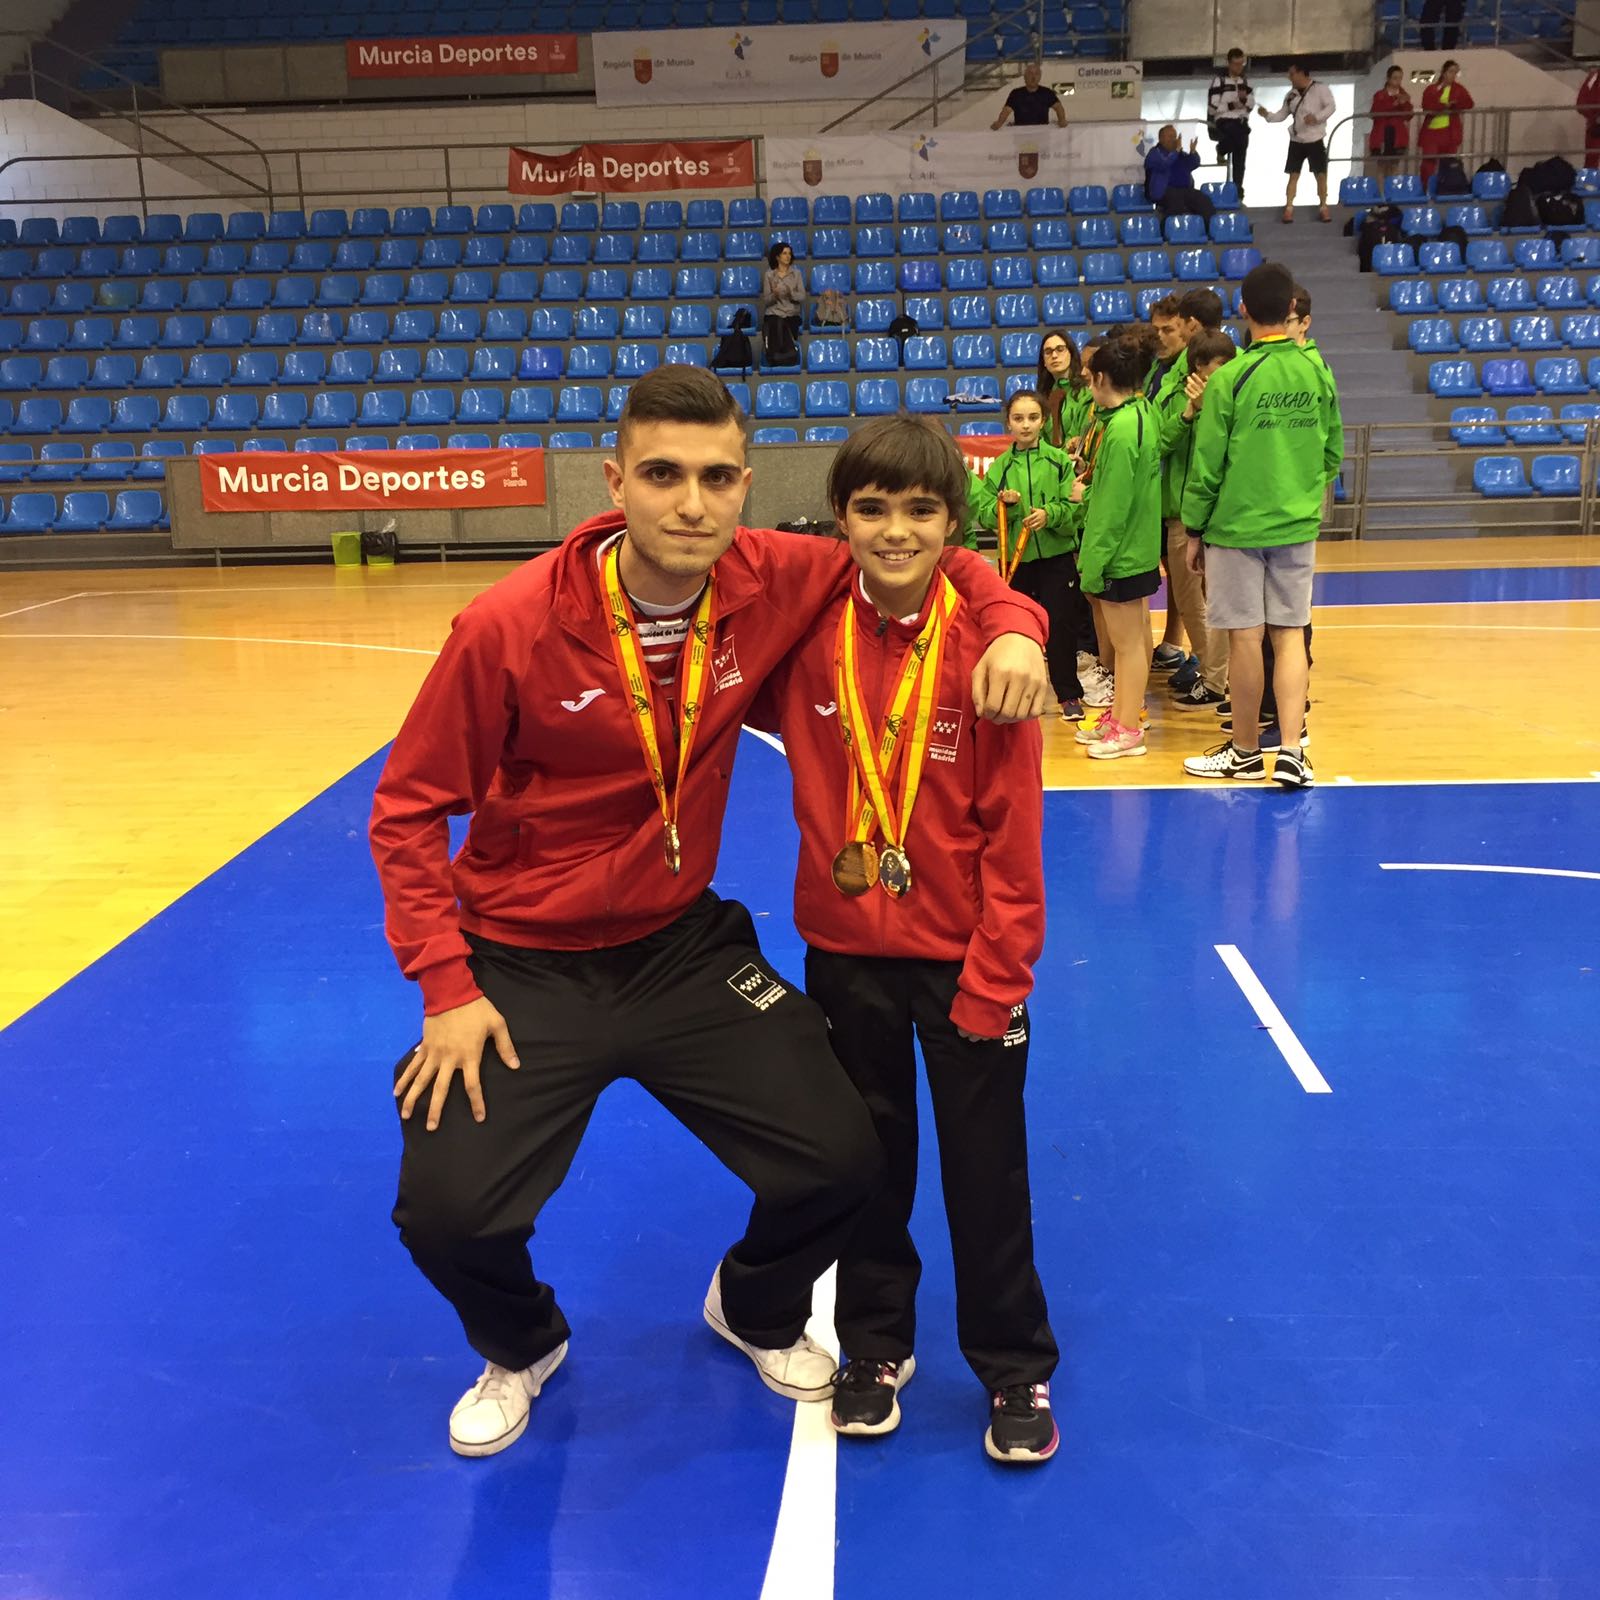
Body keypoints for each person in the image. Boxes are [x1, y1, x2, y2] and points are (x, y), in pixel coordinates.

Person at [369, 365, 1051, 1460]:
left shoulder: (769, 575)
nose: (692, 502)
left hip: (679, 945)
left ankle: (754, 1304)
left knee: (845, 1154)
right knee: (446, 1213)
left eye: (717, 476)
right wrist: (445, 987)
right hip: (524, 960)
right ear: (615, 480)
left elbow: (931, 544)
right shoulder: (506, 625)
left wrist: (1015, 621)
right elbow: (406, 814)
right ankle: (521, 1342)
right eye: (664, 475)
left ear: (746, 485)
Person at [749, 415, 1059, 1464]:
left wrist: (998, 973)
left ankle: (1015, 1365)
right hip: (843, 951)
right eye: (872, 508)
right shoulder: (802, 626)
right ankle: (876, 1344)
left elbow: (1015, 829)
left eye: (920, 510)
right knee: (869, 1164)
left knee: (986, 1173)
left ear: (950, 524)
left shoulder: (985, 649)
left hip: (964, 958)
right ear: (840, 516)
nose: (894, 530)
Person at [1180, 263, 1342, 790]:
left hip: (1236, 530)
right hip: (1296, 526)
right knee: (1290, 634)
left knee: (1247, 639)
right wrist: (1297, 495)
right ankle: (1293, 750)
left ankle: (1246, 749)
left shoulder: (1230, 378)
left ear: (1243, 309)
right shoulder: (1317, 371)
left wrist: (1195, 529)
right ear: (1292, 311)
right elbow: (1333, 450)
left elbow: (1208, 464)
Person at [969, 387, 1092, 719]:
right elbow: (983, 513)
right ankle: (1019, 694)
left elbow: (1075, 510)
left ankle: (1068, 694)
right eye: (1018, 418)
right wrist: (1005, 507)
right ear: (1008, 423)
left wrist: (1050, 515)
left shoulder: (1058, 463)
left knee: (1060, 627)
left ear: (1043, 421)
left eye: (1033, 418)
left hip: (1056, 559)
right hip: (1017, 563)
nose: (1026, 425)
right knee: (1017, 628)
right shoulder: (1000, 468)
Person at [1074, 328, 1165, 760]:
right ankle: (1125, 714)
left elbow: (1111, 507)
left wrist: (1092, 566)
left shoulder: (1122, 430)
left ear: (1101, 378)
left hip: (1122, 554)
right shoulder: (1144, 412)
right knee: (1136, 641)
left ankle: (1128, 729)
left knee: (1127, 647)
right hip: (1140, 547)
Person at [1147, 295, 1227, 708]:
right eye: (1157, 330)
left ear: (1189, 326)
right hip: (1176, 503)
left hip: (1197, 507)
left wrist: (1192, 411)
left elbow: (1167, 439)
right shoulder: (1166, 375)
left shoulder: (1203, 375)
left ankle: (1217, 681)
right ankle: (1213, 673)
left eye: (1169, 329)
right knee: (1196, 596)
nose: (1161, 337)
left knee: (1203, 601)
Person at [1260, 61, 1337, 223]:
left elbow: (1331, 107)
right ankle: (1288, 207)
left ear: (1302, 73)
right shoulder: (1291, 95)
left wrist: (1316, 118)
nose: (1290, 77)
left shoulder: (1320, 89)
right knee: (1293, 174)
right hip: (1296, 139)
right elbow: (1282, 114)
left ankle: (1323, 206)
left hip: (1315, 138)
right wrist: (1267, 115)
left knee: (1321, 174)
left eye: (1292, 73)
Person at [1418, 60, 1474, 192]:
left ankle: (1446, 189)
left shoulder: (1459, 89)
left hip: (1450, 132)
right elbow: (1427, 105)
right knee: (1428, 164)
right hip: (1432, 132)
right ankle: (1426, 189)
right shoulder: (1432, 89)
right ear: (1443, 73)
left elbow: (1469, 103)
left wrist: (1455, 105)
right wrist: (1443, 105)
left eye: (1455, 72)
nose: (1453, 75)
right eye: (1450, 71)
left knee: (1448, 163)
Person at [1207, 48, 1256, 196]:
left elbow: (1252, 103)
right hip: (1225, 121)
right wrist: (1231, 105)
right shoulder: (1219, 81)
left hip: (1241, 121)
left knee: (1240, 156)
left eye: (1241, 64)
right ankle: (1221, 150)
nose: (1239, 67)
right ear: (1228, 63)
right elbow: (1212, 108)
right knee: (1240, 138)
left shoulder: (1245, 81)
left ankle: (1237, 189)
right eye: (1236, 64)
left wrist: (1243, 101)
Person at [1144, 124, 1215, 219]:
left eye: (1174, 136)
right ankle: (1169, 231)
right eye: (1170, 136)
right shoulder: (1155, 153)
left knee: (1204, 201)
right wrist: (1176, 151)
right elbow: (1164, 164)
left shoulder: (1180, 154)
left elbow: (1193, 164)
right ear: (1161, 139)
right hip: (1164, 192)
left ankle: (1209, 231)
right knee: (1176, 203)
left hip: (1185, 190)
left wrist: (1193, 152)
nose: (1173, 139)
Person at [760, 242, 804, 368]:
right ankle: (778, 355)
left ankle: (780, 355)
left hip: (791, 314)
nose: (788, 256)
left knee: (783, 322)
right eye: (784, 253)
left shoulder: (797, 274)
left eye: (789, 253)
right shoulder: (769, 275)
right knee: (776, 321)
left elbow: (802, 296)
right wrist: (775, 294)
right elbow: (767, 300)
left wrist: (791, 294)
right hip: (774, 313)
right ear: (777, 256)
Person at [1368, 66, 1414, 179]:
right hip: (1382, 135)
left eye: (1400, 78)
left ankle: (1391, 193)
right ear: (1388, 79)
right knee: (1381, 166)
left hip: (1397, 135)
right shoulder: (1379, 95)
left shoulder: (1404, 96)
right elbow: (1374, 113)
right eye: (1395, 78)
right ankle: (1382, 194)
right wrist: (1394, 104)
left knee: (1394, 166)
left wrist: (1404, 103)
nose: (1397, 81)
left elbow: (1408, 116)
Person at [992, 61, 1066, 130]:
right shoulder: (1016, 94)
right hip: (1021, 134)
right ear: (1025, 76)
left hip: (1042, 134)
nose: (1033, 77)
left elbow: (1058, 107)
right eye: (1030, 74)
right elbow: (1006, 110)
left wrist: (1062, 120)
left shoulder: (1047, 93)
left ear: (1040, 76)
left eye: (1036, 74)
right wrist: (999, 123)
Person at [1580, 65, 1600, 169]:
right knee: (1591, 162)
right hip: (1596, 129)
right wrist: (1595, 118)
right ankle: (1588, 184)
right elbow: (1581, 103)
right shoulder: (1594, 77)